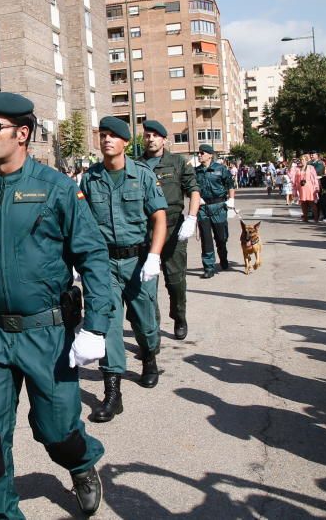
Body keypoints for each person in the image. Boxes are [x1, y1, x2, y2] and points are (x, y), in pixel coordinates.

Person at [0, 92, 109, 517]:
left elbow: (92, 257)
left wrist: (96, 326)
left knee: (57, 431)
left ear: (23, 133)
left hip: (46, 332)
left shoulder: (58, 189)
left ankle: (81, 462)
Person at [79, 117, 167, 423]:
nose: (106, 140)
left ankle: (150, 357)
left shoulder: (141, 176)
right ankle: (112, 392)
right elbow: (83, 223)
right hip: (104, 264)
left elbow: (159, 218)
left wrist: (154, 256)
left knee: (144, 321)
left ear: (126, 143)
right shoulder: (89, 179)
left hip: (138, 260)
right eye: (103, 135)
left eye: (113, 136)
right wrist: (80, 261)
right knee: (109, 325)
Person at [138, 120, 200, 340]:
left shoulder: (177, 162)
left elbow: (193, 190)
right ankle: (152, 330)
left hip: (174, 230)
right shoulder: (136, 165)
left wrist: (191, 218)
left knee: (175, 281)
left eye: (155, 135)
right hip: (146, 231)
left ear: (164, 139)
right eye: (147, 135)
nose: (151, 139)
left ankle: (179, 316)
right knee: (147, 284)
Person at [195, 145, 236, 278]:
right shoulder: (196, 171)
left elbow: (230, 184)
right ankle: (209, 267)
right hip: (203, 208)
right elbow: (191, 188)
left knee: (221, 238)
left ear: (210, 155)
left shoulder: (221, 169)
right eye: (198, 153)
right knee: (206, 239)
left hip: (219, 206)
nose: (199, 155)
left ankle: (223, 257)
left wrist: (231, 199)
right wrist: (196, 198)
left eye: (202, 153)